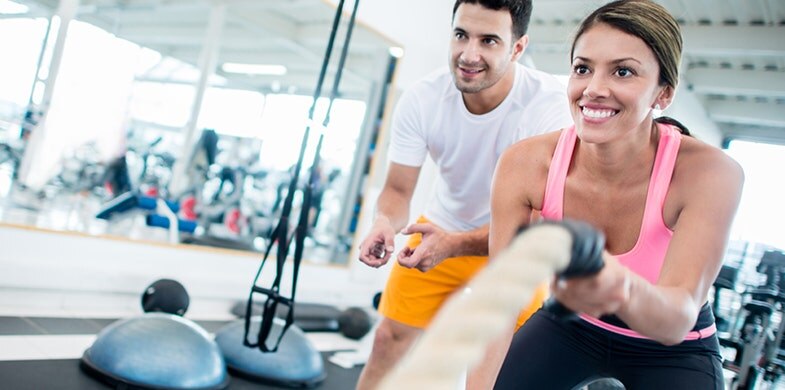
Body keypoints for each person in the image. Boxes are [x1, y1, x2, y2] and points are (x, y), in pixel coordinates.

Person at [485, 1, 744, 388]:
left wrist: (618, 285)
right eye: (582, 68)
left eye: (623, 71)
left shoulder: (709, 173)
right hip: (570, 324)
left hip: (671, 349)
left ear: (663, 94)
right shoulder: (526, 163)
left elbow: (676, 319)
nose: (594, 89)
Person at [355, 0, 573, 389]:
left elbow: (535, 220)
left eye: (489, 40)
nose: (469, 55)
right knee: (388, 340)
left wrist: (455, 245)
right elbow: (397, 189)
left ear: (517, 48)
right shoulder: (423, 99)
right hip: (443, 227)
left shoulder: (547, 107)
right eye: (461, 35)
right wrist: (384, 222)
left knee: (495, 368)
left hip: (514, 248)